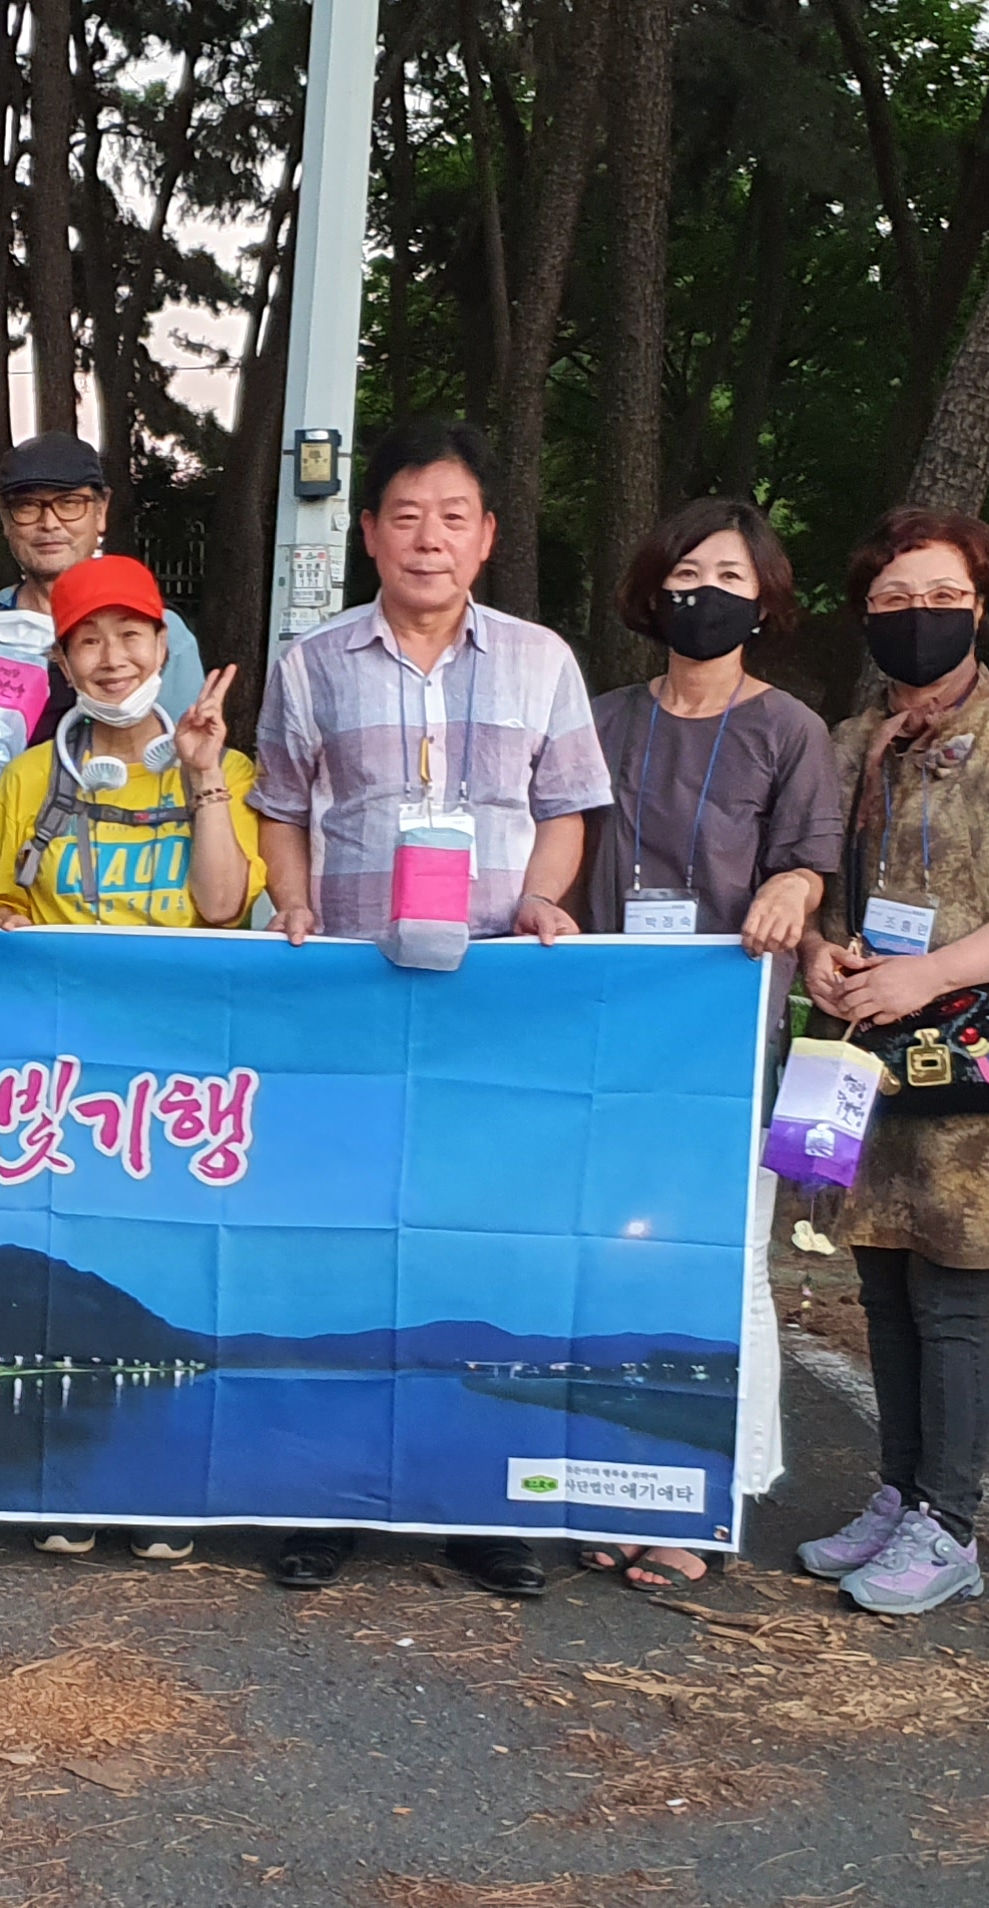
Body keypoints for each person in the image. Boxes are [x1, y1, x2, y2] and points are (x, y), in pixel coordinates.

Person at [247, 418, 610, 1598]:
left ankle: (482, 1504)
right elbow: (281, 809)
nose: (428, 539)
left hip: (493, 1007)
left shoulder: (542, 661)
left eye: (453, 517)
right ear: (369, 532)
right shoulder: (311, 664)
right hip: (353, 1000)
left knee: (481, 1253)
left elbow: (567, 808)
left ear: (488, 536)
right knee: (344, 1255)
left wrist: (545, 900)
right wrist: (293, 903)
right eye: (405, 516)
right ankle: (323, 1497)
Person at [790, 506, 989, 1618]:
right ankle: (900, 1489)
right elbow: (808, 878)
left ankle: (950, 1522)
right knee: (878, 1278)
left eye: (940, 598)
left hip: (975, 1052)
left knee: (950, 1291)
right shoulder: (845, 741)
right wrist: (819, 953)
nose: (916, 617)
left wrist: (933, 974)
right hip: (859, 1048)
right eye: (893, 600)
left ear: (981, 606)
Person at [564, 496, 843, 1594]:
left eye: (730, 576)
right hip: (604, 1038)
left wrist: (794, 885)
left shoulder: (792, 730)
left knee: (724, 1269)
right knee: (606, 1262)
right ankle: (607, 1480)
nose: (705, 594)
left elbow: (811, 860)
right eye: (686, 574)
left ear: (764, 600)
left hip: (726, 1042)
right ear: (652, 590)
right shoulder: (599, 719)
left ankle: (709, 1494)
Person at [0, 553, 255, 1567]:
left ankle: (168, 1484)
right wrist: (4, 919)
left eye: (131, 635)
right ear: (61, 660)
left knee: (173, 1278)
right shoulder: (28, 779)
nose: (112, 657)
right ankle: (68, 1478)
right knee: (67, 1278)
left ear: (164, 645)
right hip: (63, 1085)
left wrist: (204, 771)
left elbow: (224, 906)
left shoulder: (228, 772)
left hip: (182, 1080)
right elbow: (4, 898)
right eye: (87, 640)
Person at [0, 432, 207, 774]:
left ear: (101, 511)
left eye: (69, 503)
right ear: (5, 520)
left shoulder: (158, 628)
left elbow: (190, 765)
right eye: (27, 506)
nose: (49, 523)